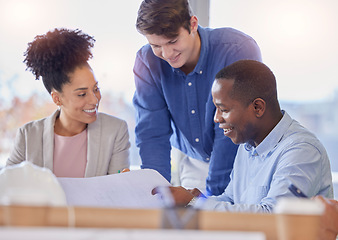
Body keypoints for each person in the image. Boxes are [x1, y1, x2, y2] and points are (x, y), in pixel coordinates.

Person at [153, 60, 333, 213]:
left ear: (257, 107)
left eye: (223, 109)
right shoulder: (247, 146)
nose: (216, 118)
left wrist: (195, 203)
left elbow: (274, 216)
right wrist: (197, 198)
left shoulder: (301, 150)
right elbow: (232, 200)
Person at [133, 0, 262, 195]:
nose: (167, 54)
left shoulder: (236, 49)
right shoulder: (147, 62)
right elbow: (152, 134)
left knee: (232, 219)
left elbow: (230, 129)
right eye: (156, 45)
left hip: (245, 160)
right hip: (195, 164)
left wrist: (213, 199)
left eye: (173, 41)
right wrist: (154, 194)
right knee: (186, 218)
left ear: (193, 24)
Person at [6, 28, 130, 177]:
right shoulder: (28, 135)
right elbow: (7, 184)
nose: (95, 99)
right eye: (82, 94)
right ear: (57, 98)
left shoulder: (115, 130)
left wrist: (124, 181)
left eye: (96, 89)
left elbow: (116, 188)